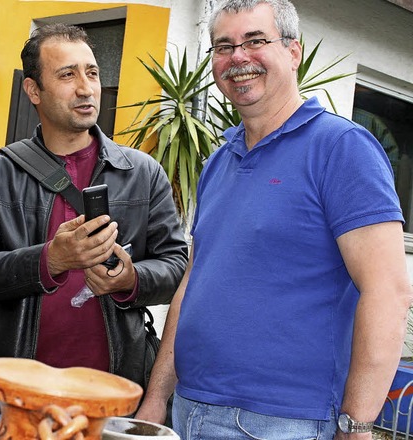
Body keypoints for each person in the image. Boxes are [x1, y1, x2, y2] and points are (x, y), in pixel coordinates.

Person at [135, 1, 413, 439]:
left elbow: (388, 292)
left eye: (255, 41)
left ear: (293, 51)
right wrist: (156, 399)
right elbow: (195, 279)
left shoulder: (342, 149)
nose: (238, 58)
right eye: (223, 46)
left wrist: (356, 424)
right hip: (190, 408)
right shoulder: (218, 162)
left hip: (284, 422)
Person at [0, 23, 188, 435]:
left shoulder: (143, 173)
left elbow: (175, 265)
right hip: (9, 404)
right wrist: (50, 260)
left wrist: (132, 278)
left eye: (92, 73)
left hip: (110, 404)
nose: (86, 88)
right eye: (67, 75)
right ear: (33, 91)